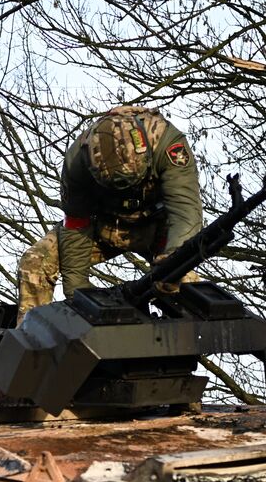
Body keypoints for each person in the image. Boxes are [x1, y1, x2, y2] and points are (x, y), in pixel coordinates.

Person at [17, 105, 204, 321]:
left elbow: (185, 212)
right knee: (35, 262)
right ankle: (32, 343)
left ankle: (179, 350)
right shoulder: (77, 159)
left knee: (185, 283)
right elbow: (77, 224)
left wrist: (172, 263)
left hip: (156, 230)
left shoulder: (168, 143)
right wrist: (78, 294)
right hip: (101, 228)